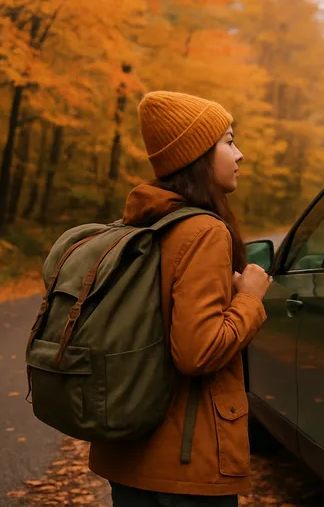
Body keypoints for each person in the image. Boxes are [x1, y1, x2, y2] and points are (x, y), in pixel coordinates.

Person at [89, 91, 272, 506]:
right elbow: (197, 351)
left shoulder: (143, 223)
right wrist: (250, 298)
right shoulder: (203, 232)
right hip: (188, 464)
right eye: (228, 141)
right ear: (197, 155)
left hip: (131, 451)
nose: (239, 154)